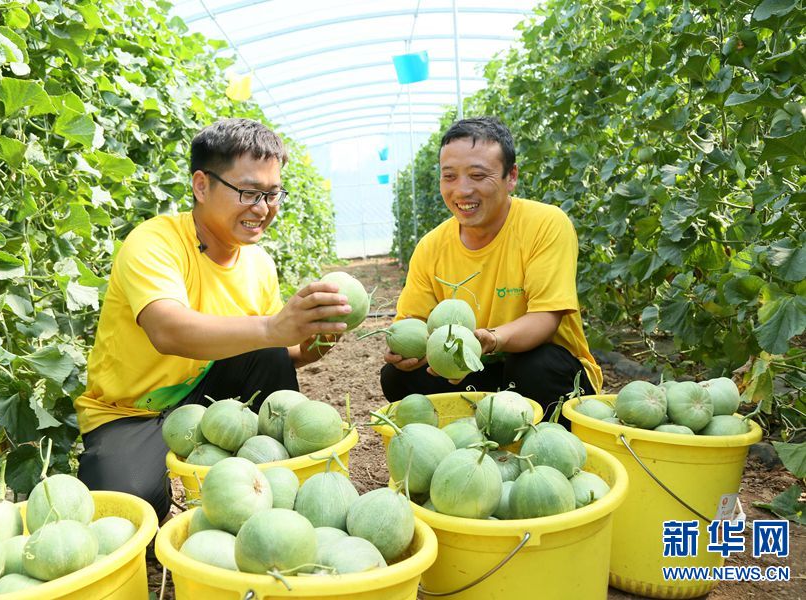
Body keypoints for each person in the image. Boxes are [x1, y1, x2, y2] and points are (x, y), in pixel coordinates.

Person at [73, 118, 351, 519]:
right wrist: (273, 328)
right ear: (201, 185)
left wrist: (311, 343)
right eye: (249, 192)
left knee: (269, 352)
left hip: (210, 395)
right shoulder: (155, 241)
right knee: (132, 510)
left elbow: (274, 353)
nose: (263, 209)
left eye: (273, 194)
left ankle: (271, 474)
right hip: (131, 413)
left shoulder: (259, 263)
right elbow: (166, 329)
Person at [380, 116, 602, 418]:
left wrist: (492, 339)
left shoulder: (545, 223)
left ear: (511, 177)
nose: (462, 190)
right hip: (474, 371)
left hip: (545, 372)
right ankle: (466, 447)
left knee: (534, 363)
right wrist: (407, 352)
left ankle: (550, 446)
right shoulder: (431, 246)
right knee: (398, 378)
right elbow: (416, 323)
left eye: (477, 175)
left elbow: (546, 317)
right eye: (449, 176)